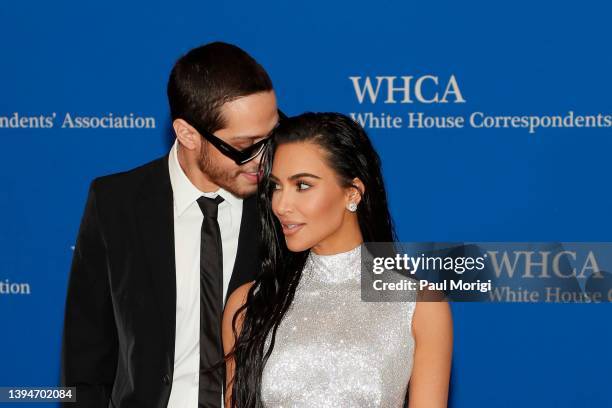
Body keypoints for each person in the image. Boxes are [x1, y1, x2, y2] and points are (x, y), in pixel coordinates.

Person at [61, 42, 281, 408]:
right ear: (188, 134)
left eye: (269, 137)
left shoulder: (284, 201)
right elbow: (85, 354)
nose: (262, 158)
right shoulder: (115, 202)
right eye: (245, 145)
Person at [222, 113, 453, 407]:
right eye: (275, 186)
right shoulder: (249, 304)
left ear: (352, 192)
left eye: (302, 185)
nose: (280, 204)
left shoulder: (418, 306)